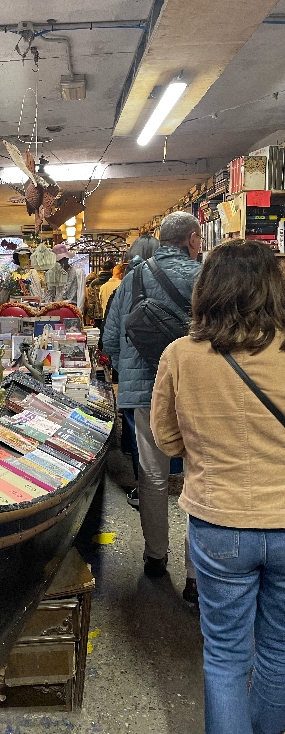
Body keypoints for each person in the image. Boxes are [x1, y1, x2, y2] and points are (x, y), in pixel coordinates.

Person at [150, 240, 285, 734]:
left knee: (226, 657)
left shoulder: (182, 355)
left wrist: (209, 447)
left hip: (219, 520)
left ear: (205, 290)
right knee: (279, 653)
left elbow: (165, 438)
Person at [103, 212, 202, 588]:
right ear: (194, 239)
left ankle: (156, 558)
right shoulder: (205, 280)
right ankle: (196, 576)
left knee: (152, 475)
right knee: (199, 477)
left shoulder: (133, 278)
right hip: (198, 390)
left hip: (146, 391)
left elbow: (111, 341)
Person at [99, 236, 160, 509]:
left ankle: (145, 489)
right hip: (177, 369)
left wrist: (121, 366)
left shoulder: (128, 282)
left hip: (136, 370)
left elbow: (110, 335)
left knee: (141, 436)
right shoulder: (191, 275)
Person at [87, 260, 115, 328]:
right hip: (112, 314)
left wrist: (90, 316)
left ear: (101, 269)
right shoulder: (115, 282)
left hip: (98, 316)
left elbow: (91, 302)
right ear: (112, 269)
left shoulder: (94, 283)